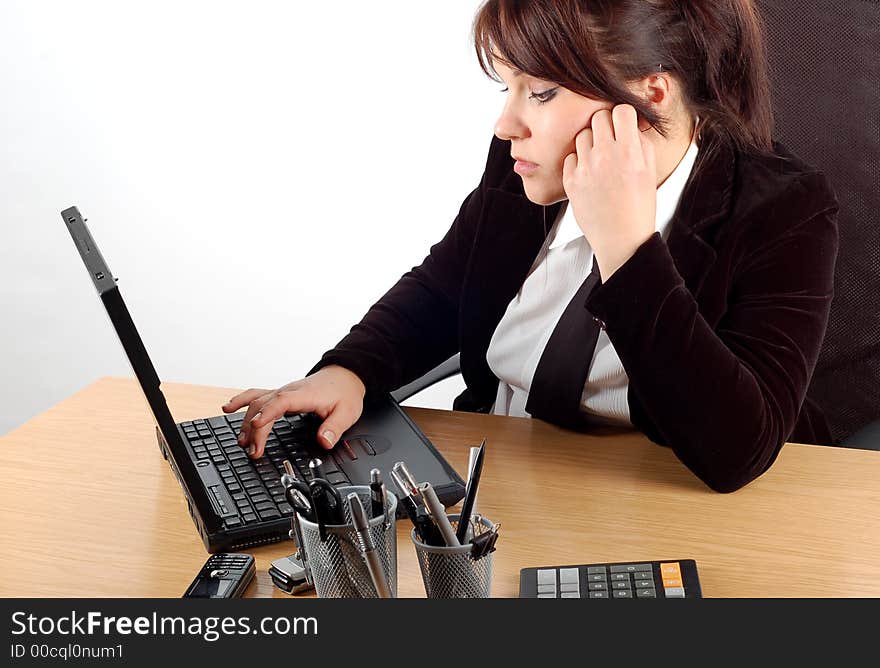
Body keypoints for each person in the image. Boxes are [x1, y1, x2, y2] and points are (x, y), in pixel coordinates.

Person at [222, 0, 839, 493]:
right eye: (506, 89)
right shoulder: (524, 161)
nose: (505, 124)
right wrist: (349, 371)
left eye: (540, 93)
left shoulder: (783, 211)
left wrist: (625, 247)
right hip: (504, 487)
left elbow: (736, 452)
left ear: (651, 94)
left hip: (657, 505)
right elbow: (445, 284)